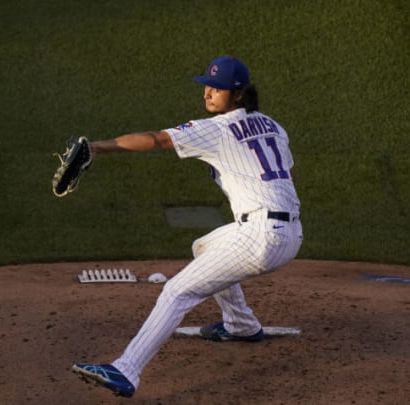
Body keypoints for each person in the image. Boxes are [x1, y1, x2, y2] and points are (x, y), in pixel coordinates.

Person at [71, 56, 303, 398]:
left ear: (238, 95)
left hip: (260, 237)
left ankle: (126, 370)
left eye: (217, 88)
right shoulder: (273, 125)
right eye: (206, 85)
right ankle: (241, 325)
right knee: (204, 247)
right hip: (291, 232)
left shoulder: (217, 129)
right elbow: (289, 176)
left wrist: (96, 148)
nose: (207, 92)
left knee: (177, 291)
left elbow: (157, 139)